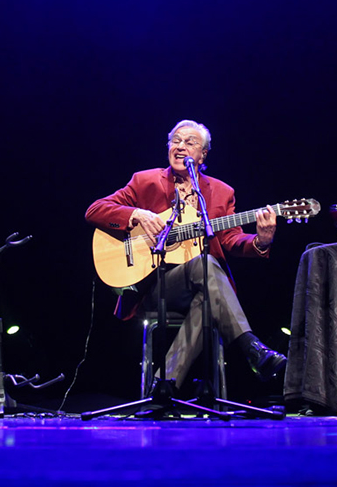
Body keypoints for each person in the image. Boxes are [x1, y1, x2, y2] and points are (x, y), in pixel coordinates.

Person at [85, 119, 287, 393]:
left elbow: (230, 239)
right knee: (206, 267)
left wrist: (261, 241)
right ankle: (251, 347)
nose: (180, 147)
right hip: (153, 284)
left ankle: (163, 387)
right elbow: (95, 210)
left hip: (203, 285)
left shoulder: (221, 192)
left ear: (203, 155)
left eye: (190, 142)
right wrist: (136, 214)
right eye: (175, 141)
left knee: (207, 293)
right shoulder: (145, 181)